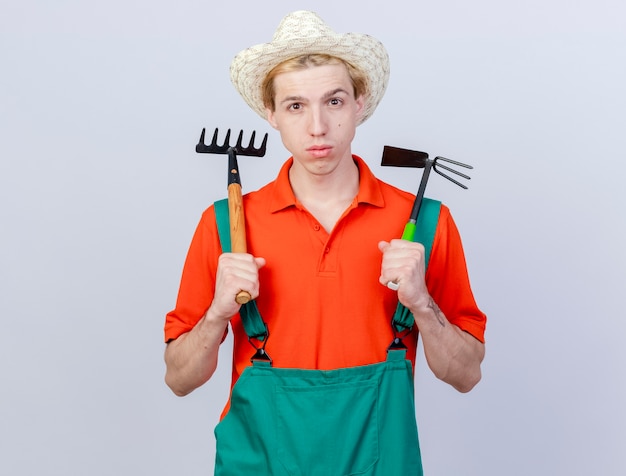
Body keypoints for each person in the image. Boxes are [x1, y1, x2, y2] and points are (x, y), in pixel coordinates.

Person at [164, 10, 486, 475]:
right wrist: (217, 313)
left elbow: (467, 374)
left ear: (359, 102)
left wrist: (421, 304)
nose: (317, 127)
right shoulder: (224, 225)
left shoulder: (426, 223)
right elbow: (179, 379)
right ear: (271, 113)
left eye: (333, 102)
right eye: (296, 105)